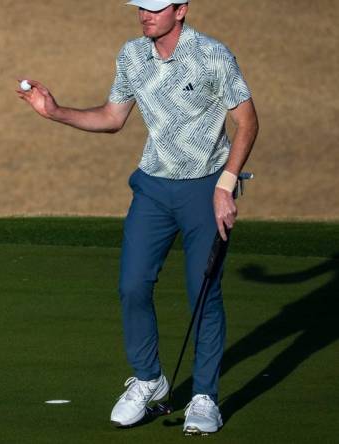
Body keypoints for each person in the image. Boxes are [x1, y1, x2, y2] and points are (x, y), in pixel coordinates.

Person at [16, 0, 258, 435]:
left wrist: (226, 184)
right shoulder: (131, 55)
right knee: (132, 285)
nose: (145, 14)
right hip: (152, 188)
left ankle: (204, 397)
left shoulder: (212, 54)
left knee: (202, 292)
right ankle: (149, 380)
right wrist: (55, 112)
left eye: (155, 7)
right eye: (140, 7)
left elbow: (247, 121)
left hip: (205, 188)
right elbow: (113, 118)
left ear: (181, 9)